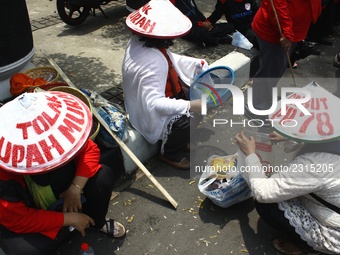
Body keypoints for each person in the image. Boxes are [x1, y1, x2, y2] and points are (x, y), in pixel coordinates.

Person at [0, 91, 126, 255]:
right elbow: (19, 219)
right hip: (29, 210)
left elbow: (89, 151)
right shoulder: (4, 172)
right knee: (24, 249)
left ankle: (95, 222)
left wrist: (75, 188)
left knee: (103, 176)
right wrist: (69, 219)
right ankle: (63, 233)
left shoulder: (58, 131)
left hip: (65, 192)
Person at [123, 0, 206, 170]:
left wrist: (197, 63)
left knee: (196, 104)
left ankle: (180, 141)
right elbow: (154, 103)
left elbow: (170, 58)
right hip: (149, 110)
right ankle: (170, 153)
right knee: (189, 118)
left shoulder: (141, 42)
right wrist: (190, 105)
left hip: (153, 97)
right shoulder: (151, 61)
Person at [244, 0, 322, 120]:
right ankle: (255, 106)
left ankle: (264, 95)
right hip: (276, 31)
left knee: (278, 67)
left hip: (294, 30)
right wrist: (287, 33)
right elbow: (277, 4)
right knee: (270, 70)